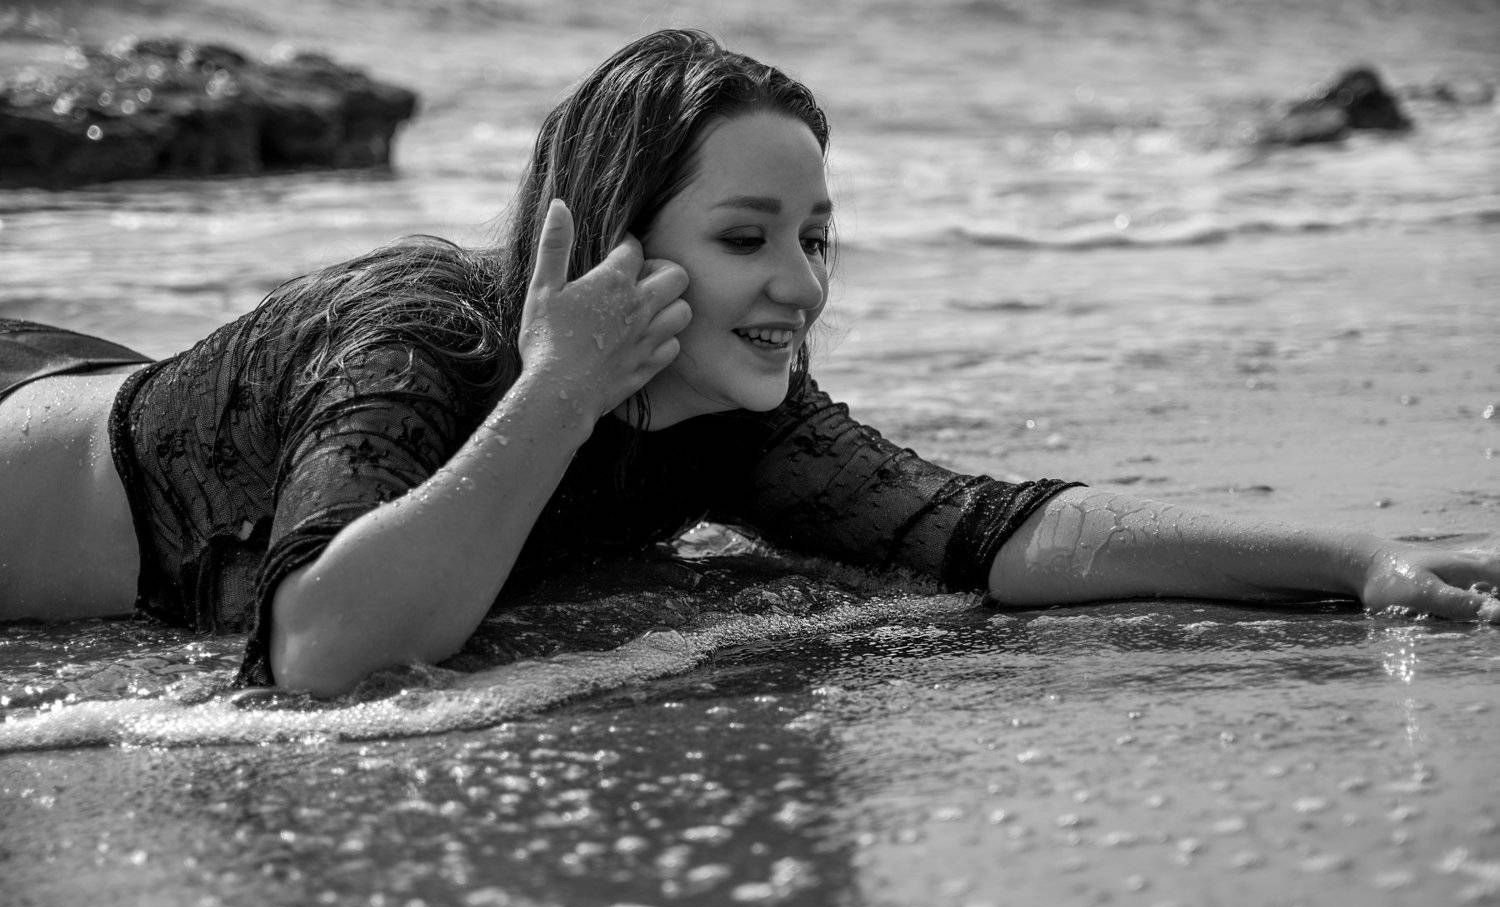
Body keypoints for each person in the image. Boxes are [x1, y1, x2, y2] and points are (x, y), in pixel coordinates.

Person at [1, 30, 1495, 697]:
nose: (800, 284)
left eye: (816, 236)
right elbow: (321, 653)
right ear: (613, 234)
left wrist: (1351, 558)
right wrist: (556, 392)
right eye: (745, 237)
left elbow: (994, 530)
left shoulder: (723, 402)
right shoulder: (421, 338)